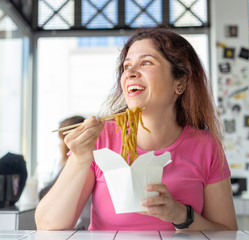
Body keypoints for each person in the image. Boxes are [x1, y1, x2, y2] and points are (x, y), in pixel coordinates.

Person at [35, 27, 238, 231]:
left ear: (181, 81)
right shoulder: (101, 138)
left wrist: (179, 214)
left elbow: (228, 233)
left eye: (146, 62)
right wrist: (79, 159)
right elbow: (47, 226)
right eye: (127, 66)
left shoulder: (206, 145)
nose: (130, 73)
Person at [38, 115, 90, 229]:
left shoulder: (74, 162)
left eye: (61, 139)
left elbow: (45, 192)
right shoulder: (77, 161)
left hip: (80, 226)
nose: (59, 144)